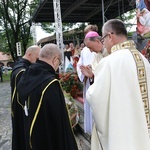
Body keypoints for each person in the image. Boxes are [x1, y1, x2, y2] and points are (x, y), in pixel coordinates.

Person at [86, 19, 150, 150]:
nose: (104, 44)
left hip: (122, 130)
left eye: (103, 40)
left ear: (110, 36)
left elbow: (96, 98)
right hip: (144, 129)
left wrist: (90, 87)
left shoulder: (109, 62)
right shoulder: (143, 60)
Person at [17, 43, 78, 150]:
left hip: (29, 130)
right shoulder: (50, 82)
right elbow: (58, 119)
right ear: (55, 59)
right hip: (47, 137)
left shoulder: (27, 73)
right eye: (59, 63)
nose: (58, 66)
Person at [11, 45, 41, 150]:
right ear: (29, 54)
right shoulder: (22, 71)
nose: (38, 61)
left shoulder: (19, 66)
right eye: (37, 58)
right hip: (22, 109)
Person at [76, 24, 99, 134]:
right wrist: (83, 71)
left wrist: (92, 70)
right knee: (89, 105)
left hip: (96, 81)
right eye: (85, 34)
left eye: (88, 33)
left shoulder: (99, 47)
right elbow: (80, 63)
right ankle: (90, 129)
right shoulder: (85, 50)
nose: (86, 36)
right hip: (87, 81)